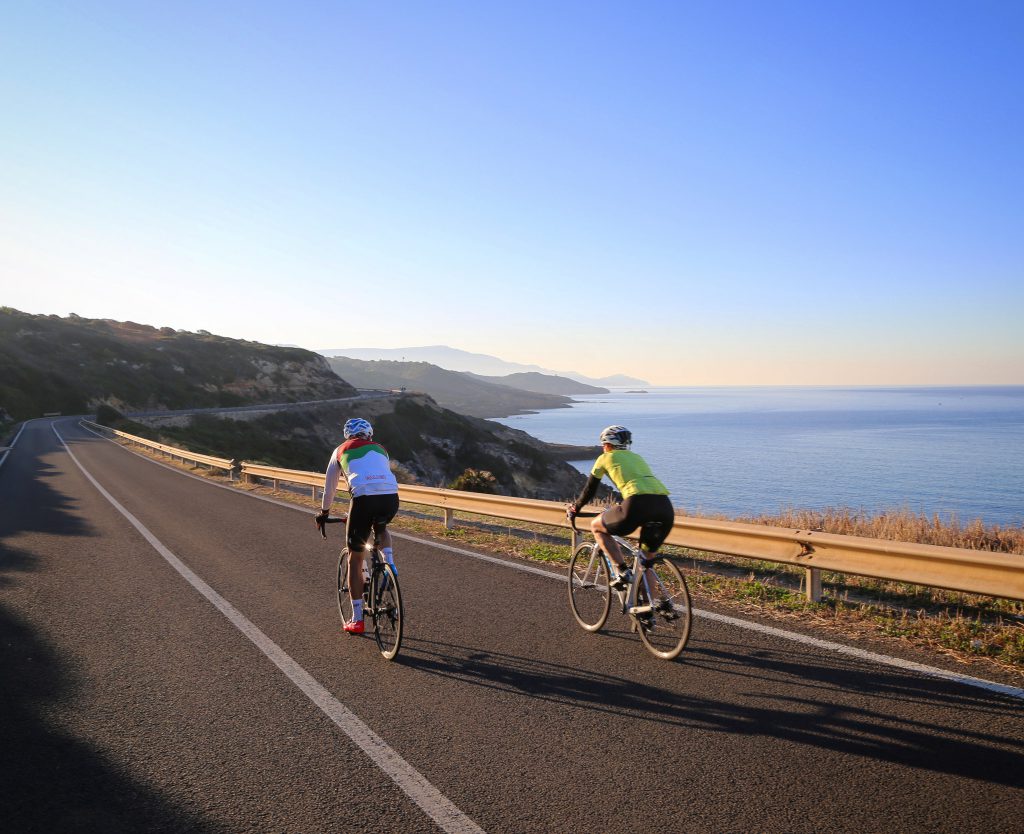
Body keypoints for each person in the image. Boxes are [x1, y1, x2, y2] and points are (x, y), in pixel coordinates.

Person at [567, 425, 675, 597]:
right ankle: (648, 613)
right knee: (646, 562)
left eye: (603, 444)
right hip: (665, 507)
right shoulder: (637, 457)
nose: (603, 448)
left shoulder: (604, 458)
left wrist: (575, 508)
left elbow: (589, 491)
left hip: (636, 505)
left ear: (607, 444)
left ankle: (623, 571)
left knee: (596, 526)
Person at [315, 417, 399, 634]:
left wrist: (324, 513)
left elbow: (330, 488)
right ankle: (390, 565)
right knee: (381, 528)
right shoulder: (381, 448)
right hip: (391, 498)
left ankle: (357, 619)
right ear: (369, 434)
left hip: (363, 500)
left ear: (347, 435)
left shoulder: (340, 451)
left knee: (355, 557)